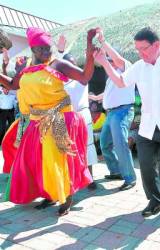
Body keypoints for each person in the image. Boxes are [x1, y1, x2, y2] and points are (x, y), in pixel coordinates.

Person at [94, 27, 160, 220]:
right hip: (148, 127)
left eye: (144, 49)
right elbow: (121, 82)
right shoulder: (139, 67)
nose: (140, 53)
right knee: (146, 168)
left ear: (156, 45)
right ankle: (155, 201)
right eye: (138, 49)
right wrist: (103, 63)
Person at [0, 27, 98, 216]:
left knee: (60, 160)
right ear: (33, 50)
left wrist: (89, 49)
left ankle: (66, 197)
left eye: (48, 48)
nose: (46, 52)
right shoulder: (26, 67)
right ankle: (50, 193)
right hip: (36, 121)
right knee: (37, 160)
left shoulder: (57, 64)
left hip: (59, 119)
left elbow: (85, 77)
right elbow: (13, 85)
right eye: (41, 49)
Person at [90, 30, 137, 191]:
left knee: (120, 144)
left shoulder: (127, 67)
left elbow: (116, 58)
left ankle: (130, 178)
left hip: (122, 111)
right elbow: (110, 91)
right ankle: (116, 171)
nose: (110, 60)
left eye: (111, 58)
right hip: (111, 113)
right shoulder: (112, 75)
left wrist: (103, 42)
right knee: (105, 144)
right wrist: (97, 98)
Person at [55, 35, 99, 190]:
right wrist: (60, 50)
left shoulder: (82, 77)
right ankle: (71, 176)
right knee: (68, 149)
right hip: (65, 118)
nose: (73, 66)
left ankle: (90, 179)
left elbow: (88, 65)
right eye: (69, 64)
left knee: (88, 146)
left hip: (82, 115)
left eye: (74, 63)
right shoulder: (59, 81)